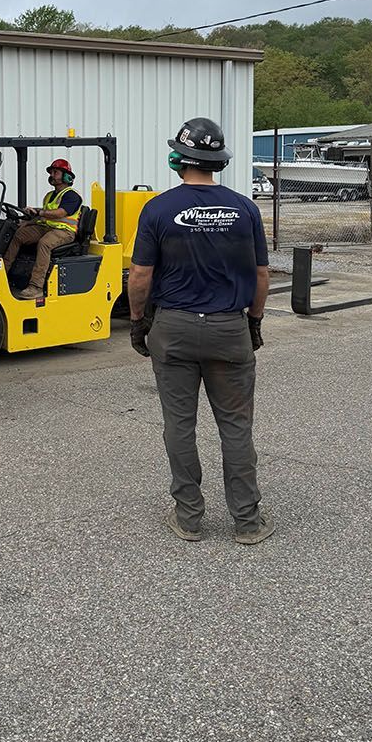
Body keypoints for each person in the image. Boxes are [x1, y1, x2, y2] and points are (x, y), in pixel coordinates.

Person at [127, 118, 272, 546]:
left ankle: (189, 517)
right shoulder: (245, 208)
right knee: (236, 426)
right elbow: (261, 275)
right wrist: (254, 321)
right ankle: (247, 521)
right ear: (217, 161)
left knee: (179, 425)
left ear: (180, 159)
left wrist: (139, 323)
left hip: (174, 329)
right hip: (230, 329)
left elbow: (139, 276)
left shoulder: (156, 209)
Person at [3, 158, 82, 299]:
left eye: (55, 172)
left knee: (44, 243)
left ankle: (36, 286)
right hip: (46, 227)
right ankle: (3, 274)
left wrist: (39, 212)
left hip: (65, 231)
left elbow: (60, 213)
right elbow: (45, 215)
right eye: (51, 172)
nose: (51, 175)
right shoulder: (50, 196)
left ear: (66, 176)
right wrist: (28, 219)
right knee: (19, 234)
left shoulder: (72, 196)